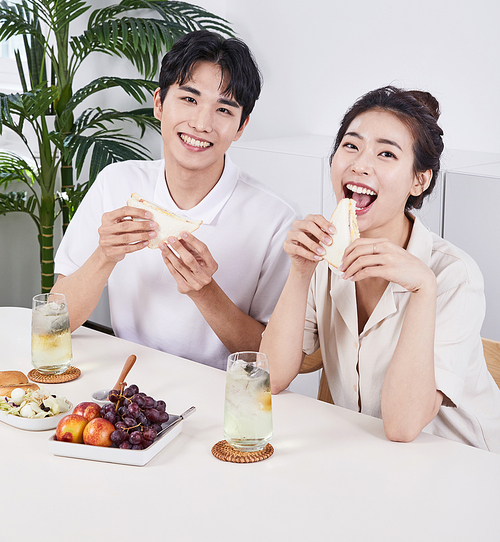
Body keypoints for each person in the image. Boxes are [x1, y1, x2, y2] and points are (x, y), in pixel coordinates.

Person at [260, 86, 500, 452]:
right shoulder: (326, 255)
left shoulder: (453, 275)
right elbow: (271, 378)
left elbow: (403, 427)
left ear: (420, 179)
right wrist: (299, 270)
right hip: (367, 456)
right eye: (351, 145)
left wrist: (423, 289)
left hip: (461, 466)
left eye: (386, 153)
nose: (360, 164)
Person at [53, 30, 296, 370]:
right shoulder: (117, 182)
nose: (201, 124)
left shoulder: (275, 219)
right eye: (189, 99)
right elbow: (57, 322)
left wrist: (204, 291)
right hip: (128, 387)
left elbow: (272, 360)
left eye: (224, 109)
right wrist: (104, 256)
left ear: (241, 127)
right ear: (159, 103)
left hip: (220, 396)